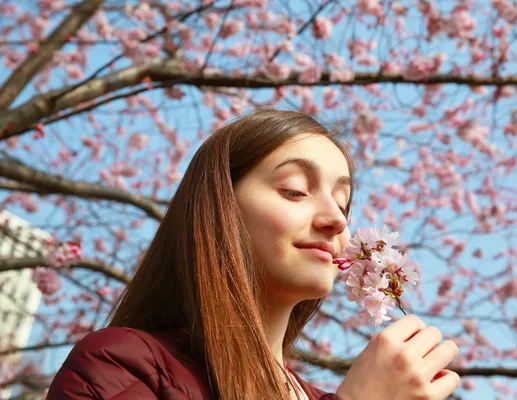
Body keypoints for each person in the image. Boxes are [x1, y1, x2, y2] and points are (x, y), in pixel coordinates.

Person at [46, 109, 460, 399]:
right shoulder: (123, 367)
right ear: (219, 207)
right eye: (295, 190)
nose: (336, 221)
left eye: (344, 203)